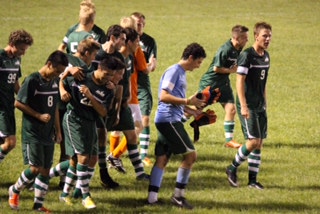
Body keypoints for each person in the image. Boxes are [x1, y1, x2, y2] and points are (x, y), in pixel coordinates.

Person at [147, 43, 206, 209]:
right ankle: (178, 197)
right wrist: (188, 101)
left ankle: (152, 199)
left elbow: (175, 101)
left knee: (162, 159)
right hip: (169, 121)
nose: (198, 66)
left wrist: (192, 111)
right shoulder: (174, 71)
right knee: (190, 156)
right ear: (191, 57)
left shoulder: (181, 73)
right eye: (198, 62)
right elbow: (163, 96)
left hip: (169, 119)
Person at [8, 50, 68, 213]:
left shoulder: (54, 81)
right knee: (35, 168)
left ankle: (38, 205)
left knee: (46, 169)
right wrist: (38, 115)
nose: (58, 74)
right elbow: (18, 103)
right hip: (32, 132)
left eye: (61, 72)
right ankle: (15, 189)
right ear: (49, 64)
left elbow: (55, 106)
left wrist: (58, 129)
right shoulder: (32, 80)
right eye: (57, 71)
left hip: (48, 132)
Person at [58, 56, 120, 209]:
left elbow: (103, 112)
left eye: (112, 75)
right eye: (107, 74)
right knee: (83, 158)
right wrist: (61, 88)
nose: (109, 78)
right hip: (74, 120)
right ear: (99, 69)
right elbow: (59, 79)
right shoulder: (81, 76)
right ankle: (86, 196)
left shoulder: (108, 89)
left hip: (91, 122)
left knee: (86, 159)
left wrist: (90, 96)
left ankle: (64, 193)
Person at [226, 22, 272, 190]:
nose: (267, 39)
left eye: (269, 36)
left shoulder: (266, 56)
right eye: (264, 36)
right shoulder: (247, 56)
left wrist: (265, 103)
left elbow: (263, 83)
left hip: (260, 105)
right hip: (249, 105)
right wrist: (243, 106)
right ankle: (231, 168)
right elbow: (239, 81)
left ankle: (252, 181)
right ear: (256, 36)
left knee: (259, 143)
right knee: (252, 142)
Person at [107, 27, 150, 180]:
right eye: (137, 41)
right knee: (137, 127)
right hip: (120, 101)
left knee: (129, 132)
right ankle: (113, 157)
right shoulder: (117, 59)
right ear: (129, 42)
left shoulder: (130, 58)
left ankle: (134, 170)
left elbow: (130, 78)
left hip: (128, 99)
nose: (139, 44)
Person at [198, 25, 249, 149]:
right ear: (236, 38)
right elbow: (216, 68)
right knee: (195, 110)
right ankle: (171, 126)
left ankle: (229, 140)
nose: (247, 40)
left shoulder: (238, 48)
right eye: (245, 38)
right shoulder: (225, 49)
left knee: (231, 110)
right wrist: (232, 71)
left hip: (224, 84)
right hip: (211, 83)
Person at [90, 24, 127, 188]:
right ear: (113, 38)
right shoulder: (96, 54)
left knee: (101, 136)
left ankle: (103, 175)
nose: (123, 44)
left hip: (105, 103)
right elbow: (87, 75)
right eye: (122, 40)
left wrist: (117, 111)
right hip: (88, 100)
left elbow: (120, 86)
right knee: (89, 142)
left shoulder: (120, 57)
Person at [0, 29, 33, 164]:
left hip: (9, 107)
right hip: (1, 108)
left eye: (25, 50)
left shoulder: (16, 59)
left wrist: (24, 99)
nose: (23, 53)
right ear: (12, 44)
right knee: (10, 143)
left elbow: (15, 83)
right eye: (21, 49)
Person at [131, 12, 157, 165]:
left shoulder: (149, 41)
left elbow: (153, 62)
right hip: (127, 84)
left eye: (142, 23)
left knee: (145, 119)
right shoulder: (125, 39)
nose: (139, 25)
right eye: (137, 23)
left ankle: (143, 155)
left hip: (142, 85)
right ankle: (117, 152)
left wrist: (150, 67)